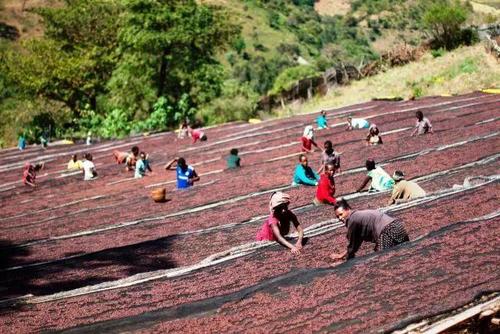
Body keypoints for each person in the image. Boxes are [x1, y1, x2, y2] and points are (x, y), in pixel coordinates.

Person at [330, 199, 409, 261]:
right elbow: (356, 242)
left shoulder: (352, 219)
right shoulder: (358, 216)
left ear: (347, 209)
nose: (340, 218)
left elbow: (353, 245)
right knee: (405, 252)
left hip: (387, 230)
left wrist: (346, 259)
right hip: (398, 226)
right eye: (337, 217)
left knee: (382, 258)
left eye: (341, 214)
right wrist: (344, 254)